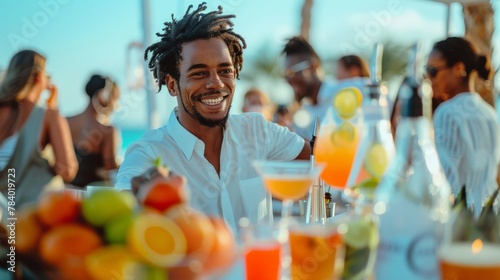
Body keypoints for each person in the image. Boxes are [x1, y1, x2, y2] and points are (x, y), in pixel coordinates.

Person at [115, 3, 310, 232]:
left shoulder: (257, 131)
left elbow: (319, 160)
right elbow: (120, 210)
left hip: (258, 267)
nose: (216, 83)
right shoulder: (149, 154)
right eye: (199, 73)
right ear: (171, 84)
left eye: (225, 70)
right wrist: (138, 200)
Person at [427, 37, 499, 215]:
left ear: (459, 68)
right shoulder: (490, 113)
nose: (429, 78)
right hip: (491, 214)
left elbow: (446, 179)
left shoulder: (447, 113)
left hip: (462, 219)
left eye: (433, 71)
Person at [0, 50, 77, 205]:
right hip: (37, 215)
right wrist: (54, 110)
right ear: (38, 77)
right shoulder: (48, 115)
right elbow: (68, 171)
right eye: (48, 76)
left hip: (5, 217)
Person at [67, 74, 121, 188]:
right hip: (93, 196)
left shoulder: (66, 121)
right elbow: (110, 168)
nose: (115, 105)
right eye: (115, 99)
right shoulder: (107, 131)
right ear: (103, 96)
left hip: (67, 191)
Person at [282, 36, 338, 139]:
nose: (288, 80)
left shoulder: (341, 92)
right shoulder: (303, 113)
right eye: (285, 75)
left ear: (313, 67)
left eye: (292, 72)